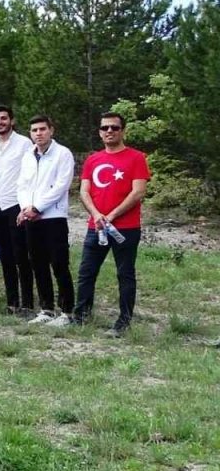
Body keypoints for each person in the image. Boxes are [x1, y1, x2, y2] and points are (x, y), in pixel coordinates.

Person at [75, 112, 151, 337]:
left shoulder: (136, 158)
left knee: (125, 274)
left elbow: (138, 192)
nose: (109, 131)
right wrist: (97, 215)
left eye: (114, 128)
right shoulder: (93, 160)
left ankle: (123, 321)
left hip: (125, 228)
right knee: (86, 272)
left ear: (122, 131)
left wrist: (112, 215)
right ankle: (81, 316)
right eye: (105, 128)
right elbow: (84, 191)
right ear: (99, 132)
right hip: (96, 226)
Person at [16, 116, 76, 326]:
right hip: (32, 218)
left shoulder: (63, 154)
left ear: (51, 130)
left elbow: (61, 186)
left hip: (53, 217)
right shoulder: (28, 156)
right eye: (34, 130)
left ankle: (67, 312)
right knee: (38, 264)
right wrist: (26, 208)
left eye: (42, 129)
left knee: (59, 263)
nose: (38, 133)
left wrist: (37, 207)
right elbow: (22, 185)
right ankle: (46, 308)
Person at [0, 105, 35, 315]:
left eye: (3, 118)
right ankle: (12, 302)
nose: (0, 122)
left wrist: (27, 206)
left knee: (21, 256)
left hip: (16, 205)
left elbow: (32, 175)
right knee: (5, 257)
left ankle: (27, 303)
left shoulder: (25, 144)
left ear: (12, 121)